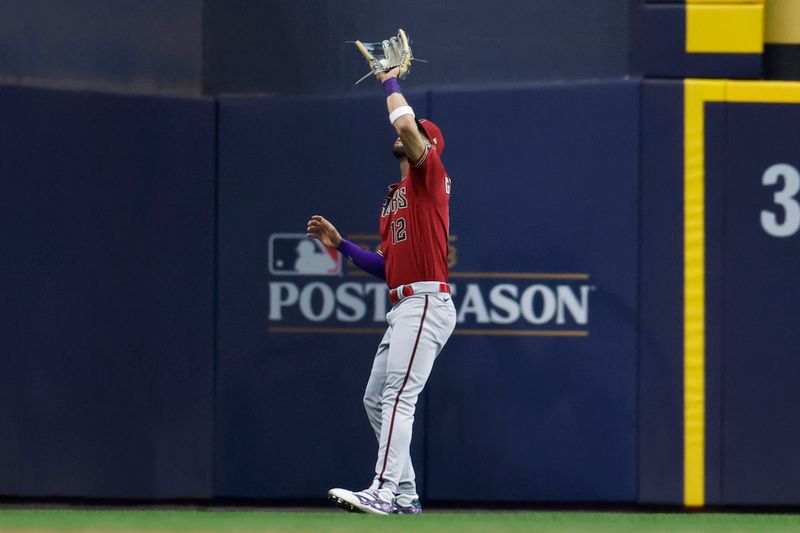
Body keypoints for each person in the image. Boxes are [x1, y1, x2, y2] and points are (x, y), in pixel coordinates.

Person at [306, 67, 456, 515]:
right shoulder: (396, 198)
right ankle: (405, 493)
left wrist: (388, 82)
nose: (410, 134)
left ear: (428, 147)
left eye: (420, 135)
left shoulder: (429, 179)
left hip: (427, 302)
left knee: (397, 397)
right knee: (376, 398)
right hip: (405, 301)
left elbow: (407, 124)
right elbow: (390, 268)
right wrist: (342, 246)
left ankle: (384, 491)